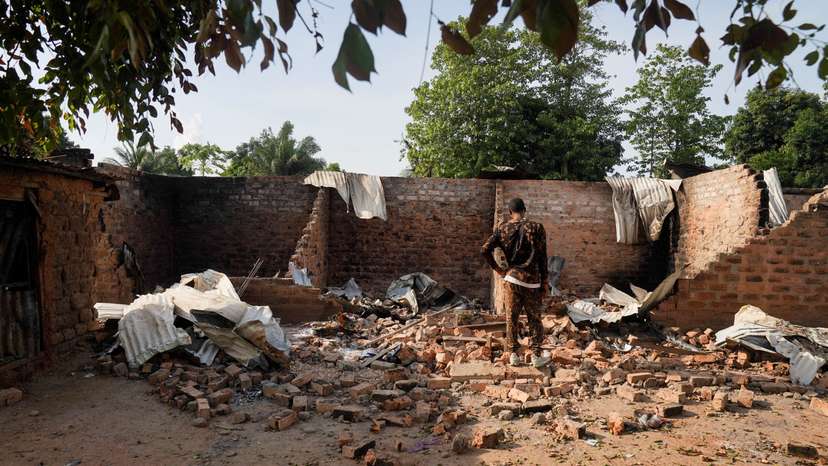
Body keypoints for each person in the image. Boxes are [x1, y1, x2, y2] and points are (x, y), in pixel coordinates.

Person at [481, 197, 550, 367]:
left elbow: (485, 250)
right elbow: (543, 257)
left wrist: (499, 270)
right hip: (532, 281)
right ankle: (536, 356)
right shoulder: (537, 228)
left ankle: (513, 355)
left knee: (511, 317)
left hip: (511, 278)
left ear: (510, 212)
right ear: (524, 210)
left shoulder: (502, 228)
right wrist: (544, 282)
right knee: (534, 319)